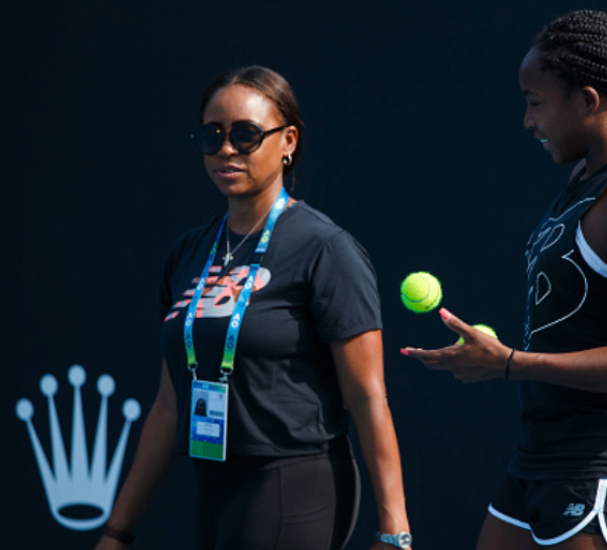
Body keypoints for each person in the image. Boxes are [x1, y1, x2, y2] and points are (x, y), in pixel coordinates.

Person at [403, 10, 607, 550]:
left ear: (588, 100)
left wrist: (510, 364)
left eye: (535, 102)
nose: (527, 120)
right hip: (541, 452)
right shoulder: (582, 179)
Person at [95, 66, 412, 550]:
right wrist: (117, 530)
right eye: (212, 134)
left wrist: (395, 531)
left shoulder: (326, 249)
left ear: (287, 141)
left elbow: (369, 399)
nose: (225, 149)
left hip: (295, 483)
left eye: (245, 135)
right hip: (216, 486)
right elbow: (168, 404)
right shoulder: (190, 251)